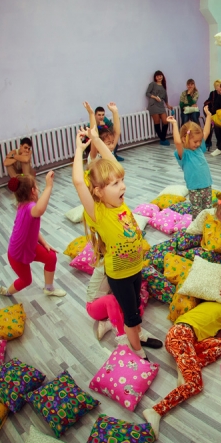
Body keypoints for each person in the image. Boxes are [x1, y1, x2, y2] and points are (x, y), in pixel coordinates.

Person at [72, 125, 148, 358]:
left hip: (135, 268)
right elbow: (78, 181)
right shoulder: (98, 212)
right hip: (120, 275)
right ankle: (137, 350)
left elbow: (113, 162)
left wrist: (96, 139)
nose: (122, 186)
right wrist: (79, 150)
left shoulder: (119, 203)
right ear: (98, 192)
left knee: (136, 307)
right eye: (115, 184)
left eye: (121, 181)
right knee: (130, 315)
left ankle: (138, 333)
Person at [142, 300, 221, 438]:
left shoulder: (207, 303)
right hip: (182, 336)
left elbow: (204, 324)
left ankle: (186, 365)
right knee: (195, 384)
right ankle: (156, 411)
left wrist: (219, 333)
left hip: (180, 334)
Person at [0, 173, 65, 297]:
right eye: (37, 187)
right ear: (33, 191)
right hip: (17, 254)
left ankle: (49, 289)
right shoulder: (30, 207)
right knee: (26, 281)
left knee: (51, 257)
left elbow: (32, 230)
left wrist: (44, 243)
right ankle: (7, 292)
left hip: (29, 247)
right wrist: (49, 186)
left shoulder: (23, 205)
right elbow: (40, 209)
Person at [85, 263, 152, 343]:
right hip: (94, 307)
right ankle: (121, 335)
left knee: (136, 311)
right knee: (111, 299)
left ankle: (108, 323)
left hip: (109, 305)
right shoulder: (109, 265)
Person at [168, 112, 214, 216]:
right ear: (184, 139)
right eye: (195, 141)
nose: (199, 143)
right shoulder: (183, 154)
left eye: (199, 141)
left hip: (207, 185)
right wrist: (174, 123)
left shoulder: (199, 148)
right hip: (194, 188)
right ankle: (197, 224)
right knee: (197, 212)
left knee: (208, 210)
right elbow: (177, 142)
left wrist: (208, 116)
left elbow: (206, 131)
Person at [146, 70, 171, 146]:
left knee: (165, 121)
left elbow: (165, 97)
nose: (159, 77)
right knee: (157, 122)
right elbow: (147, 93)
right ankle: (163, 139)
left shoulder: (163, 86)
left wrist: (167, 105)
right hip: (153, 105)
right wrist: (155, 97)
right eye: (157, 76)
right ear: (155, 78)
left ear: (162, 76)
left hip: (161, 105)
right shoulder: (153, 84)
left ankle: (162, 138)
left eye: (160, 76)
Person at [203, 79, 221, 150]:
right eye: (218, 86)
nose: (220, 87)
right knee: (209, 125)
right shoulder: (213, 94)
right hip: (212, 113)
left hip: (220, 114)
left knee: (218, 126)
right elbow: (209, 103)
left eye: (220, 86)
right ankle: (208, 142)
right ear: (215, 87)